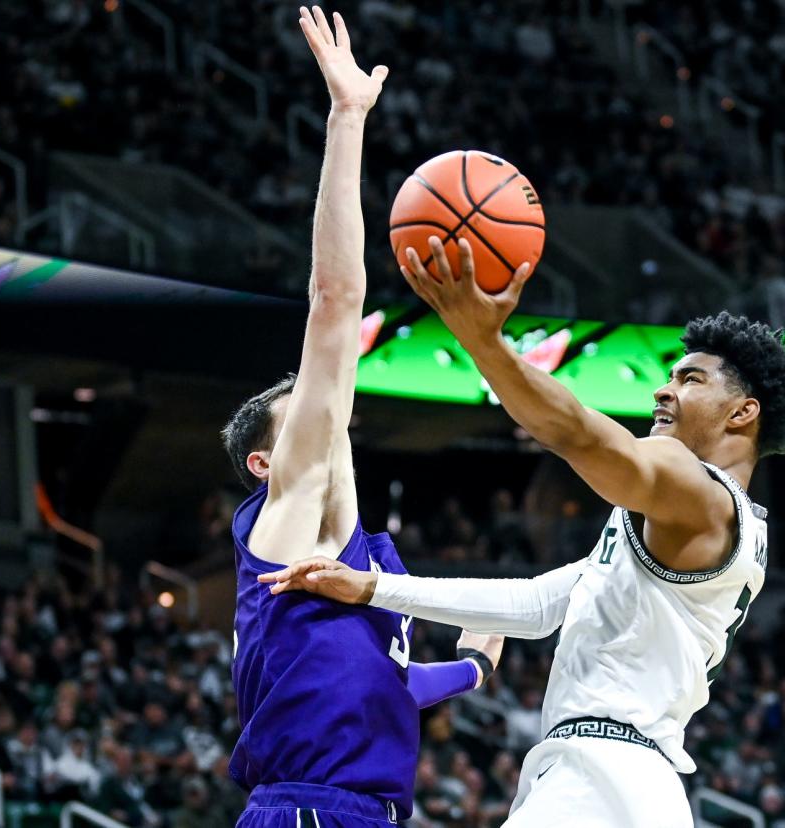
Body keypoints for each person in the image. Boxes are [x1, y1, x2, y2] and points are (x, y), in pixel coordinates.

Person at [261, 249, 785, 823]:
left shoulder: (697, 492)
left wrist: (484, 343)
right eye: (670, 375)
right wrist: (372, 588)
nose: (662, 391)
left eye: (689, 379)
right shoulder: (707, 522)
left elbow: (580, 436)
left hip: (601, 778)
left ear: (742, 413)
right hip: (633, 784)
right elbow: (537, 602)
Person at [219, 8, 502, 826]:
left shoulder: (372, 567)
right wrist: (347, 119)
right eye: (299, 411)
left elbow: (398, 683)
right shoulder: (290, 527)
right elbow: (335, 302)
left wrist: (483, 654)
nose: (321, 412)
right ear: (265, 466)